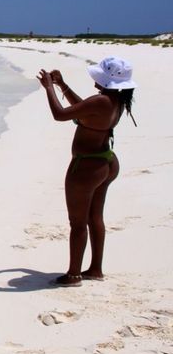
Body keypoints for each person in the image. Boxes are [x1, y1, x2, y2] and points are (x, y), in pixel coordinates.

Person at [37, 57, 137, 287]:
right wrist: (63, 85)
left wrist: (49, 88)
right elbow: (83, 111)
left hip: (87, 166)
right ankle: (95, 269)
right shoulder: (116, 99)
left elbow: (61, 114)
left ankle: (73, 275)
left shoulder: (101, 101)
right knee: (95, 217)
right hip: (106, 162)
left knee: (78, 222)